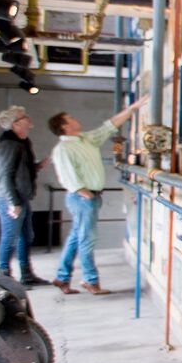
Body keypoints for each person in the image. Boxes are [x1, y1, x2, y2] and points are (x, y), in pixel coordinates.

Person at [48, 101, 141, 295]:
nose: (75, 119)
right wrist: (87, 195)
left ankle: (62, 277)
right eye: (70, 118)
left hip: (88, 197)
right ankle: (90, 280)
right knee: (86, 239)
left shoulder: (85, 139)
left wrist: (133, 108)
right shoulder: (63, 149)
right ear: (65, 126)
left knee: (76, 237)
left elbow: (108, 127)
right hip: (83, 198)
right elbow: (68, 178)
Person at [0, 105, 48, 286]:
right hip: (11, 199)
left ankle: (26, 274)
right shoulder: (10, 144)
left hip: (20, 197)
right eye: (24, 118)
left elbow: (19, 171)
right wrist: (13, 201)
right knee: (9, 237)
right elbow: (4, 176)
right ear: (15, 124)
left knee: (25, 236)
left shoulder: (22, 143)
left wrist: (36, 166)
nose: (28, 120)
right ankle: (4, 277)